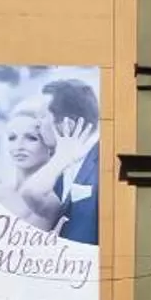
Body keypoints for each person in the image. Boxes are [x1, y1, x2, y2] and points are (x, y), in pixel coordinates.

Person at [41, 75, 100, 246]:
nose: (38, 124)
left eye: (43, 116)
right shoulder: (52, 163)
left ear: (68, 124)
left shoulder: (105, 164)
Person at [1, 101, 69, 233]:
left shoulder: (50, 201)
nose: (19, 146)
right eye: (12, 138)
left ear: (49, 144)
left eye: (31, 138)